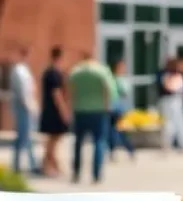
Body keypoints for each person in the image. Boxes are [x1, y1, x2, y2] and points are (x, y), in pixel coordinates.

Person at [67, 51, 115, 184]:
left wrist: (70, 108)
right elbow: (109, 90)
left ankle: (76, 172)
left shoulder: (76, 71)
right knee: (99, 141)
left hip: (80, 110)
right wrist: (107, 106)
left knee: (78, 143)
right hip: (98, 111)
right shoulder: (102, 71)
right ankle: (96, 174)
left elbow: (70, 90)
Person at [8, 45, 41, 176]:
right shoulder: (19, 70)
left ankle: (18, 165)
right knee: (25, 136)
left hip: (26, 106)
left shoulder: (24, 70)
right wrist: (29, 107)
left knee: (24, 137)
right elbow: (23, 92)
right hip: (23, 108)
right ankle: (30, 164)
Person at [38, 46, 69, 177]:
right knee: (54, 139)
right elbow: (56, 94)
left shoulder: (47, 72)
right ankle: (49, 165)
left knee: (52, 139)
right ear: (60, 57)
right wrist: (64, 111)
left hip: (48, 109)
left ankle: (50, 164)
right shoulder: (54, 74)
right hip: (54, 111)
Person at [158, 57, 183, 152]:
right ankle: (167, 144)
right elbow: (169, 88)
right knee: (168, 124)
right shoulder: (167, 75)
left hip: (178, 101)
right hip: (169, 101)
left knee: (181, 123)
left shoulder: (180, 76)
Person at [108, 58, 136, 160]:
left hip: (111, 108)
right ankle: (129, 149)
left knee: (113, 130)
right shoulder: (119, 80)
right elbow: (124, 92)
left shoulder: (109, 79)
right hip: (117, 108)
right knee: (118, 130)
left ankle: (114, 150)